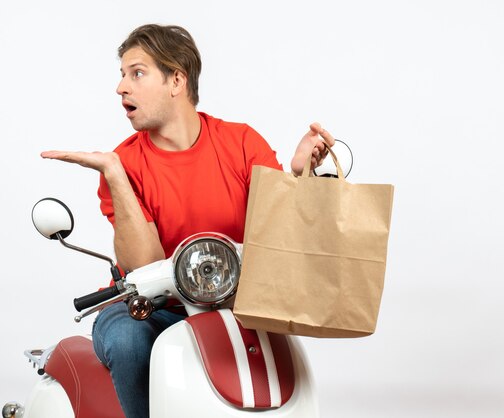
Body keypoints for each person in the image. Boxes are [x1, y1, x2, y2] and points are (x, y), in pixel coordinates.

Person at [41, 24, 334, 418]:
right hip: (149, 306)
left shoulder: (241, 143)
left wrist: (300, 174)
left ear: (176, 80)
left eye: (137, 73)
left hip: (232, 305)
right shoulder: (124, 162)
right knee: (129, 342)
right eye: (122, 74)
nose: (121, 87)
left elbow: (279, 230)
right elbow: (143, 264)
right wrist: (114, 173)